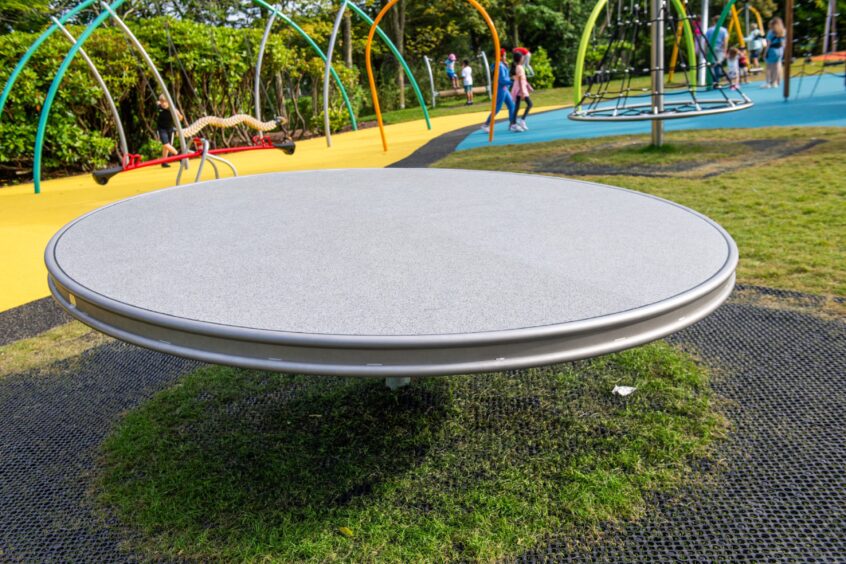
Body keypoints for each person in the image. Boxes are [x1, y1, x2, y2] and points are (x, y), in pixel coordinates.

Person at [480, 49, 515, 133]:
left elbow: (505, 76)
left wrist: (507, 68)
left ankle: (512, 124)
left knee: (511, 105)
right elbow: (502, 80)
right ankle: (486, 124)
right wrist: (512, 81)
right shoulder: (499, 66)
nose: (506, 57)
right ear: (500, 56)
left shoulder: (502, 65)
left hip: (505, 89)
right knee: (497, 108)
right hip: (501, 89)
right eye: (505, 56)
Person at [156, 94, 184, 168]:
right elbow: (158, 103)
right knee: (165, 144)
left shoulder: (172, 109)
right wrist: (159, 102)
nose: (163, 104)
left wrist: (177, 114)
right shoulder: (159, 106)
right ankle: (179, 156)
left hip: (170, 128)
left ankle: (164, 162)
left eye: (165, 102)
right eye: (162, 102)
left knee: (167, 146)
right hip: (161, 128)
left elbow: (181, 118)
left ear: (169, 102)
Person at [510, 51, 533, 132]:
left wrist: (528, 86)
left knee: (517, 107)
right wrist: (523, 92)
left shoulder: (519, 66)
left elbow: (522, 80)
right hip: (520, 89)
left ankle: (514, 124)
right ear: (520, 59)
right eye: (522, 57)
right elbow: (520, 81)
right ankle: (521, 121)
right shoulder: (519, 67)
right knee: (530, 104)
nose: (524, 58)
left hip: (520, 88)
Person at [763, 17, 786, 88]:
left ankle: (768, 82)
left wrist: (765, 53)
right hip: (780, 50)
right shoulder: (783, 31)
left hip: (772, 50)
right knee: (777, 66)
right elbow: (783, 43)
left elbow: (768, 44)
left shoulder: (771, 33)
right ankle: (775, 82)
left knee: (769, 67)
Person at [706, 15, 729, 81]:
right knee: (718, 64)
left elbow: (706, 41)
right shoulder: (723, 30)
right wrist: (725, 51)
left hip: (711, 49)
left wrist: (705, 50)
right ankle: (717, 80)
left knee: (712, 64)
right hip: (719, 49)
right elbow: (725, 41)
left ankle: (713, 80)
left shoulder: (709, 30)